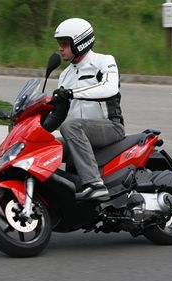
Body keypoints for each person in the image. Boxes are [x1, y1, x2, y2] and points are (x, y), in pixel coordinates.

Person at [51, 18, 125, 201]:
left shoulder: (104, 61)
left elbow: (109, 88)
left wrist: (71, 93)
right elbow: (58, 115)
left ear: (80, 42)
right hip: (80, 134)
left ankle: (95, 184)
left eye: (65, 44)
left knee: (71, 127)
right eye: (60, 44)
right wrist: (30, 128)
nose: (61, 48)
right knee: (46, 147)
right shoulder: (65, 76)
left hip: (110, 128)